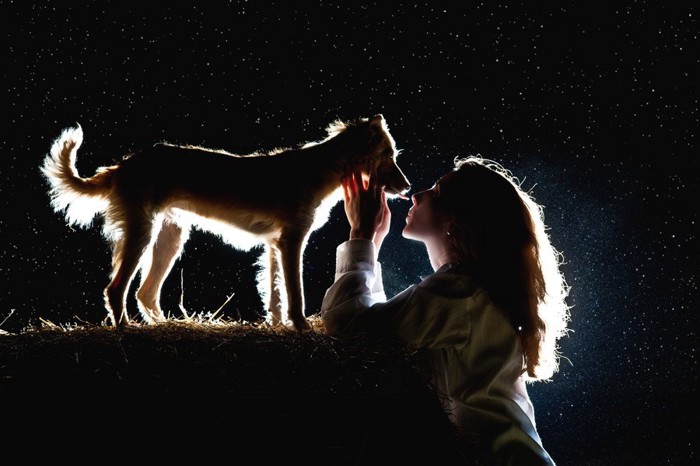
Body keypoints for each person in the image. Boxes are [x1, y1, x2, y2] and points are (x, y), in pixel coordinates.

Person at [320, 156, 571, 465]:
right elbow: (380, 335)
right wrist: (372, 240)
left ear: (459, 220)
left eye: (436, 193)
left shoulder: (461, 291)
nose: (416, 195)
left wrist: (361, 234)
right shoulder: (468, 289)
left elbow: (350, 329)